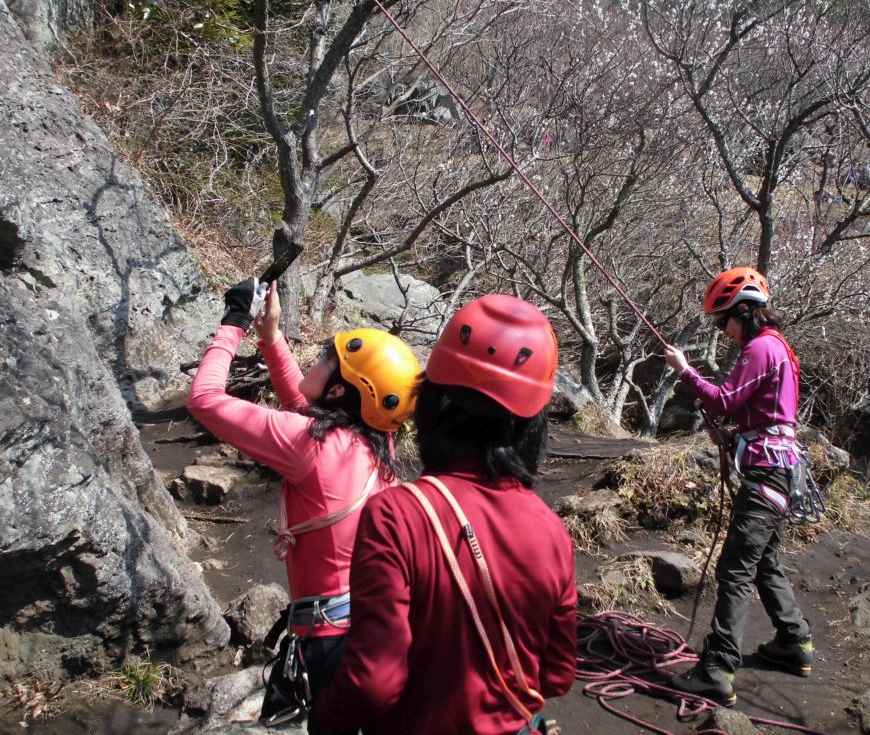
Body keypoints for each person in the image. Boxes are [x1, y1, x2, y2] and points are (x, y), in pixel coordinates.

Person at [311, 294, 577, 735]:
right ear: (531, 426)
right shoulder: (552, 531)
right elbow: (557, 674)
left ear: (431, 402)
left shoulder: (395, 515)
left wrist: (323, 719)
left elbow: (375, 683)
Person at [186, 277, 423, 726]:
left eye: (322, 359)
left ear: (338, 390)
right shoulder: (377, 440)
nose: (314, 361)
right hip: (378, 629)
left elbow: (204, 399)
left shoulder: (309, 446)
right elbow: (304, 403)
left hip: (326, 642)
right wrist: (271, 337)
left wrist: (234, 322)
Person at [663, 266, 812, 707]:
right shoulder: (778, 349)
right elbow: (764, 415)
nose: (722, 329)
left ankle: (717, 667)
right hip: (779, 469)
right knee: (763, 559)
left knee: (735, 568)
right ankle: (794, 642)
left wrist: (685, 371)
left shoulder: (760, 349)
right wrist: (731, 436)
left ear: (745, 311)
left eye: (723, 319)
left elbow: (725, 399)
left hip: (766, 474)